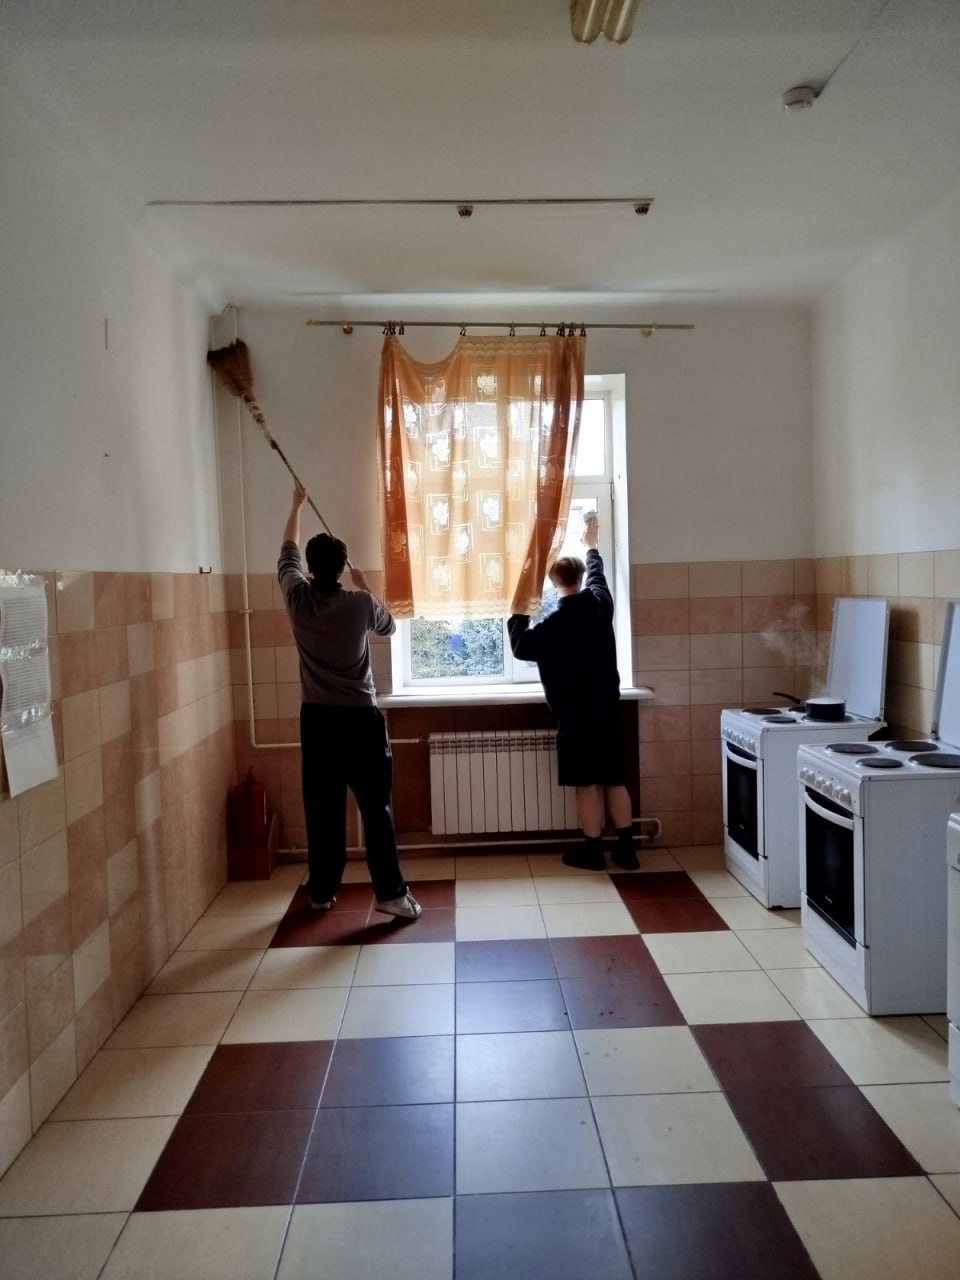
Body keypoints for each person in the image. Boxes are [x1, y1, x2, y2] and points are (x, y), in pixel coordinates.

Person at [278, 482, 421, 918]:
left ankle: (321, 892)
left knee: (322, 810)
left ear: (310, 570)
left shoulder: (296, 599)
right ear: (342, 569)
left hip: (318, 722)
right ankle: (391, 894)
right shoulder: (360, 604)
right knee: (376, 808)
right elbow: (389, 626)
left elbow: (287, 552)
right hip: (361, 722)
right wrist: (366, 585)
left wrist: (297, 505)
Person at [507, 514, 639, 871]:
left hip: (573, 718)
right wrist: (591, 547)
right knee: (614, 778)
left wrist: (523, 600)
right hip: (607, 710)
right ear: (580, 578)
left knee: (586, 784)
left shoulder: (552, 627)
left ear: (554, 583)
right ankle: (626, 851)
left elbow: (519, 645)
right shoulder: (600, 606)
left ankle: (594, 853)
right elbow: (598, 577)